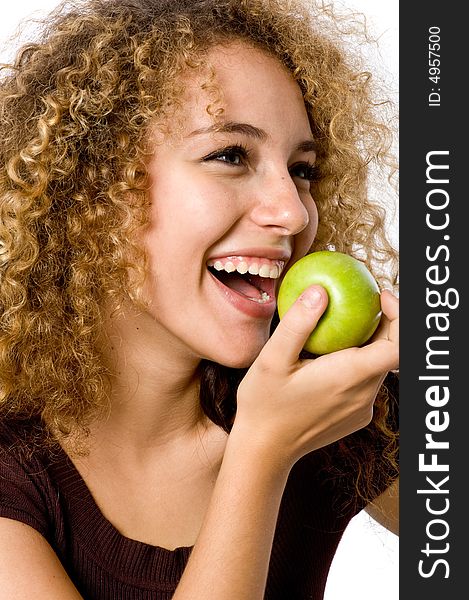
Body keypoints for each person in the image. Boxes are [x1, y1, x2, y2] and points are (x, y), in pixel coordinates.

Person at [0, 0, 399, 598]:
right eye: (230, 156)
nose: (293, 212)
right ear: (94, 192)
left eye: (303, 169)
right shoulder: (15, 475)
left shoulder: (331, 397)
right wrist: (262, 456)